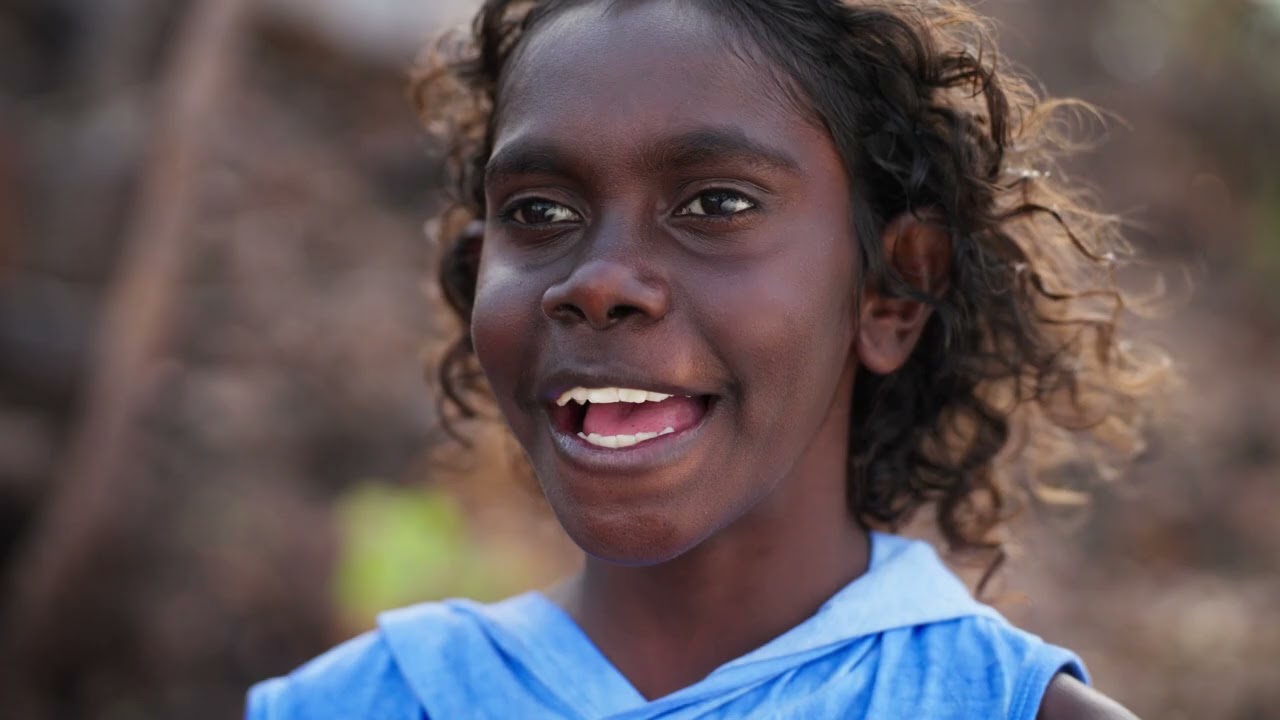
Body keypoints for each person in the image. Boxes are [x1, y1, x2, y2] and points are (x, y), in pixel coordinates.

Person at [248, 0, 1168, 717]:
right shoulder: (353, 705)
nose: (598, 281)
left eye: (716, 204)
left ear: (893, 291)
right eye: (540, 212)